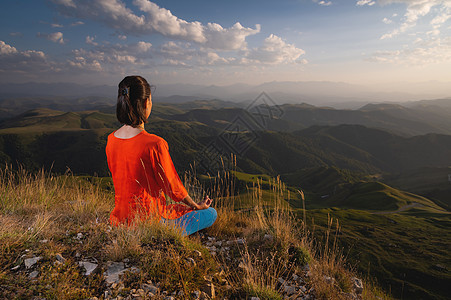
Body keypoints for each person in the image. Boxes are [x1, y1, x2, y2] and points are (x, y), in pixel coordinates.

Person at [105, 75, 217, 236]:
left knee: (176, 209)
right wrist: (195, 205)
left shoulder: (111, 140)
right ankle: (170, 232)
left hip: (120, 220)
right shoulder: (154, 144)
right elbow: (172, 186)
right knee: (211, 213)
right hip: (151, 223)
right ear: (146, 103)